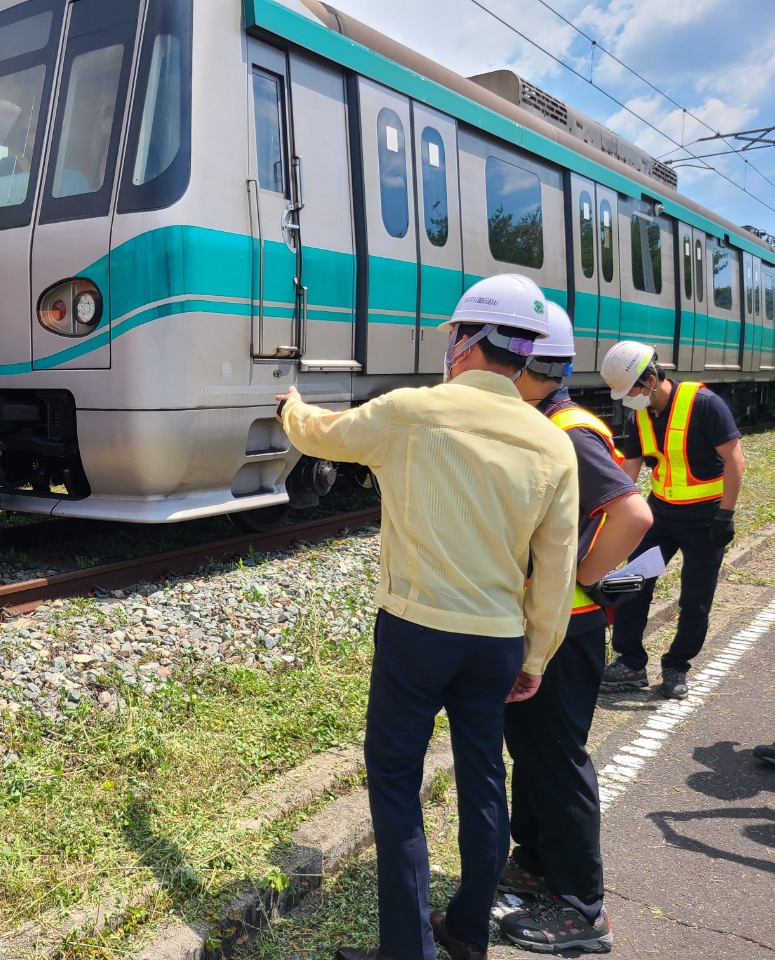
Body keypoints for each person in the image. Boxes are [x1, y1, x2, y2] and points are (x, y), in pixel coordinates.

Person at [276, 274, 580, 960]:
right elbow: (557, 568)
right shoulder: (552, 444)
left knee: (394, 782)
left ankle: (406, 952)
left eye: (452, 335)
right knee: (482, 777)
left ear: (468, 342)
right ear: (523, 353)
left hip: (417, 634)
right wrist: (537, 657)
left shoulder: (412, 410)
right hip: (497, 642)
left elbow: (322, 435)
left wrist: (291, 406)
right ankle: (468, 931)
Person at [498, 303, 652, 954]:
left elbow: (633, 515)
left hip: (569, 623)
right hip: (548, 622)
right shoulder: (544, 420)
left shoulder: (567, 430)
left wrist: (583, 576)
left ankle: (583, 910)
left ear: (529, 365)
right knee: (533, 752)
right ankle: (535, 863)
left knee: (558, 760)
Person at [598, 341, 745, 699]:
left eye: (630, 388)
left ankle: (677, 664)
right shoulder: (640, 415)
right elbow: (629, 467)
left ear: (650, 378)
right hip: (661, 512)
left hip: (706, 516)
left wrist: (725, 514)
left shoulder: (705, 404)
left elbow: (735, 460)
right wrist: (609, 510)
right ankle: (630, 661)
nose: (626, 398)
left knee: (695, 597)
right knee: (634, 582)